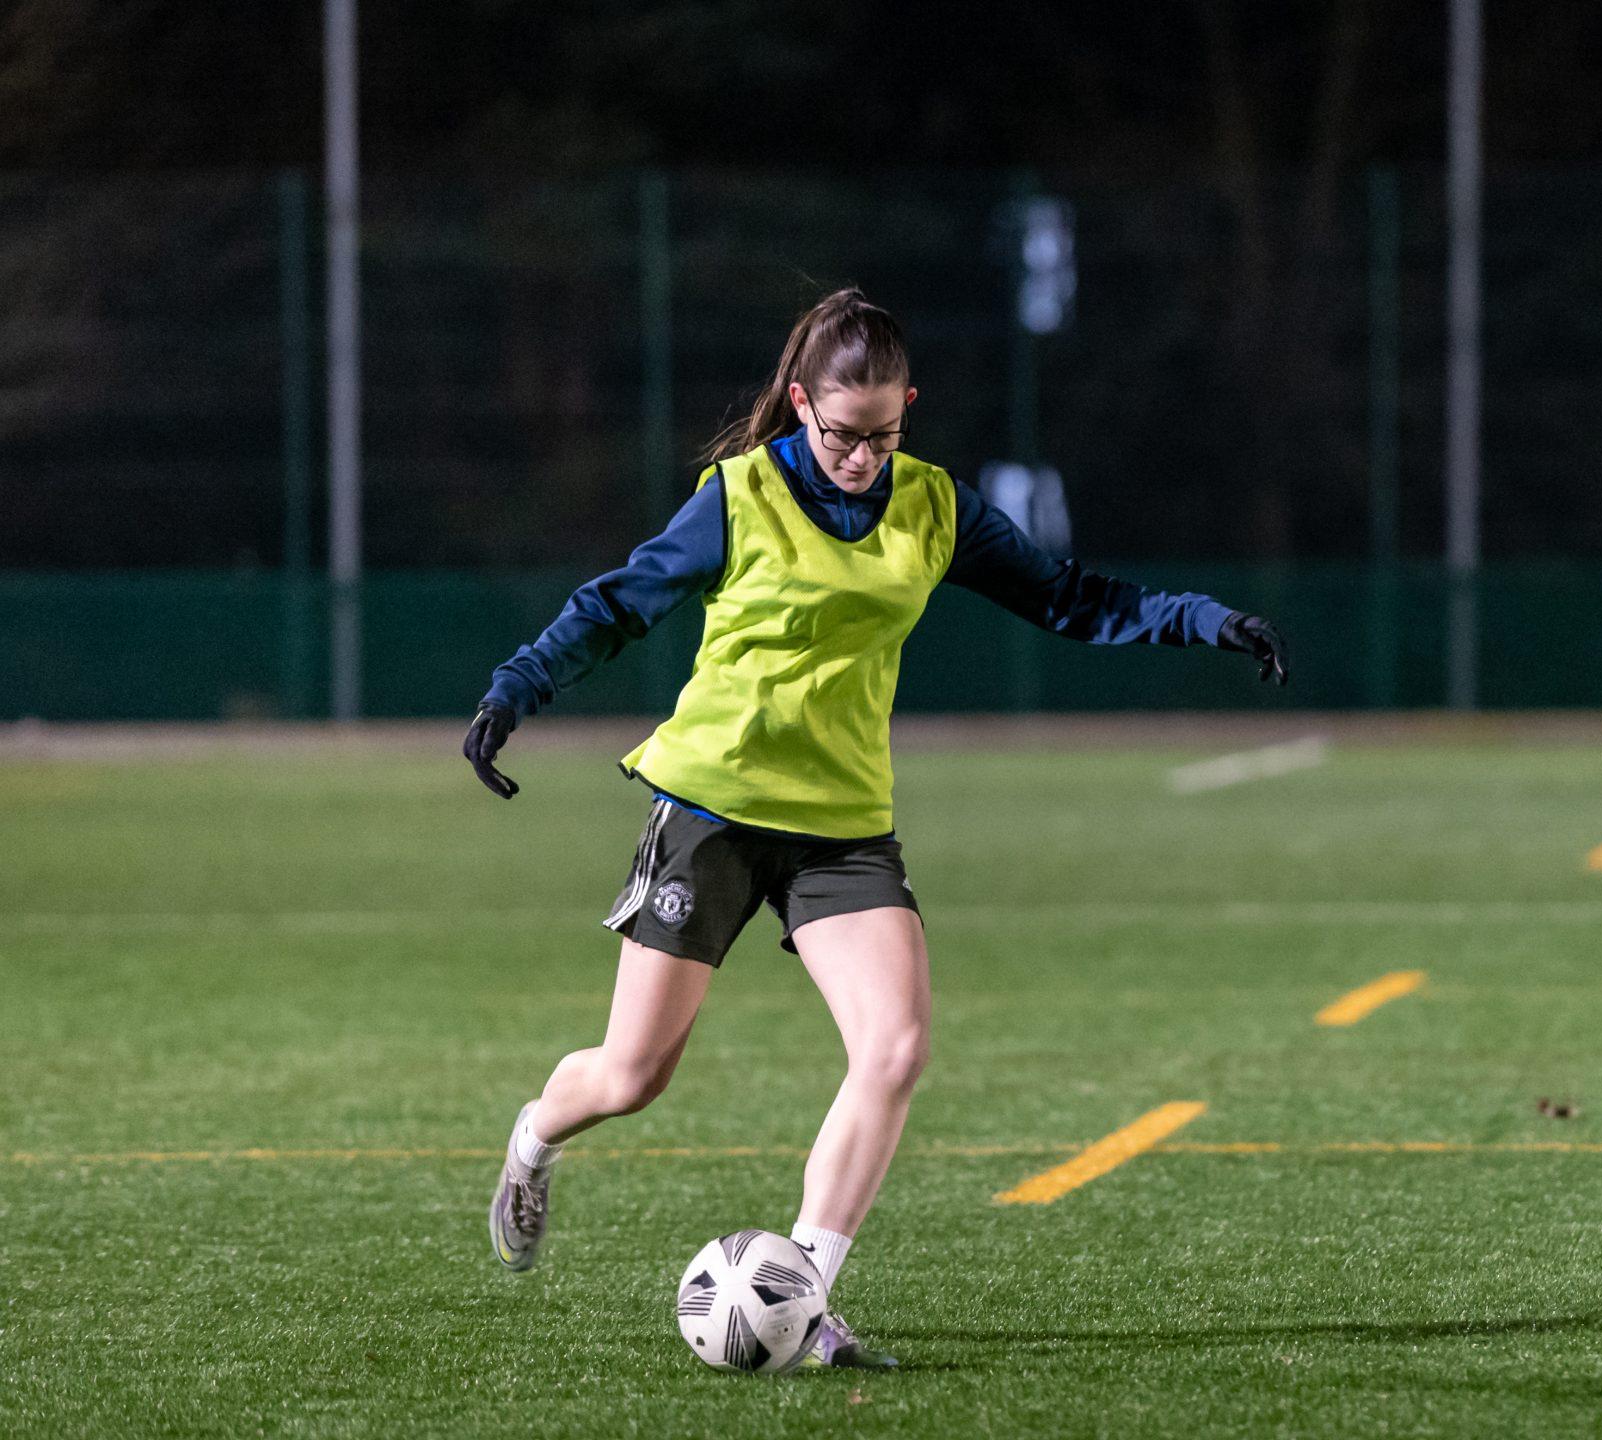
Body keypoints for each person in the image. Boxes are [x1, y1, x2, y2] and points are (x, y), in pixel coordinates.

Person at [466, 287, 1290, 1367]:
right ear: (801, 403)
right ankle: (533, 1139)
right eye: (843, 435)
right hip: (713, 806)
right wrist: (514, 691)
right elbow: (618, 603)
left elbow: (1071, 598)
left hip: (842, 826)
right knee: (631, 1078)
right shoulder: (740, 495)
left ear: (909, 408)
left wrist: (1202, 621)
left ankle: (800, 1298)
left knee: (894, 1049)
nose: (861, 457)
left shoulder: (935, 506)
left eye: (884, 435)